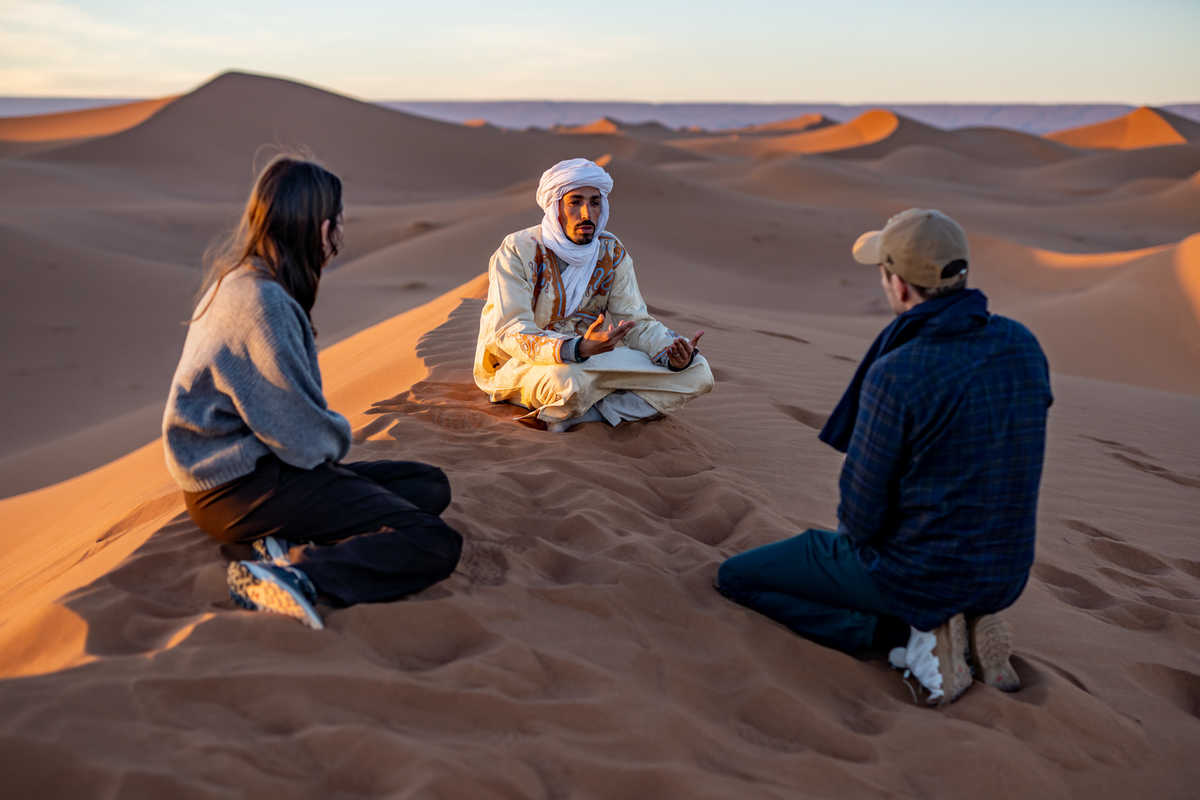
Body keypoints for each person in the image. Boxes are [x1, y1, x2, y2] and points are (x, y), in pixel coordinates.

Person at [715, 209, 1052, 705]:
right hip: (1006, 574)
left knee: (738, 578)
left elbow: (861, 517)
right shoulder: (1022, 344)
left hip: (917, 576)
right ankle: (962, 621)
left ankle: (909, 636)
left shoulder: (899, 371)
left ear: (899, 284)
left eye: (882, 271)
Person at [162, 155, 462, 629]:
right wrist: (336, 438)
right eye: (337, 224)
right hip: (240, 489)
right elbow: (302, 439)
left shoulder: (240, 280)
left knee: (426, 485)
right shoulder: (262, 303)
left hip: (244, 476)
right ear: (320, 228)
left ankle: (280, 541)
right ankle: (295, 575)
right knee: (432, 541)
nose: (337, 238)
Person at [474, 158, 714, 432]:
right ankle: (592, 403)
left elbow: (636, 323)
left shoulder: (611, 251)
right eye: (575, 202)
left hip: (591, 361)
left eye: (595, 202)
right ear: (555, 207)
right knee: (567, 381)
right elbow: (510, 331)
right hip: (524, 365)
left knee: (697, 372)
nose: (587, 214)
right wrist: (575, 349)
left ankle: (587, 414)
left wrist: (672, 354)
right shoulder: (518, 249)